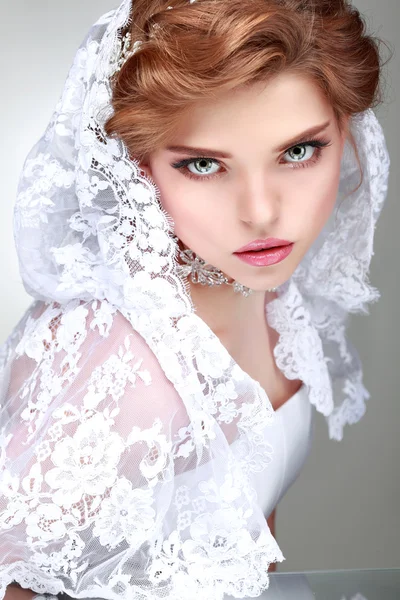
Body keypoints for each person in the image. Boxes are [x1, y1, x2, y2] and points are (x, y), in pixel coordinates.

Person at [0, 0, 390, 599]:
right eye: (204, 164)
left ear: (348, 135)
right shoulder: (126, 373)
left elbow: (251, 537)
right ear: (136, 168)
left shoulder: (271, 293)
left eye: (297, 152)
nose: (261, 213)